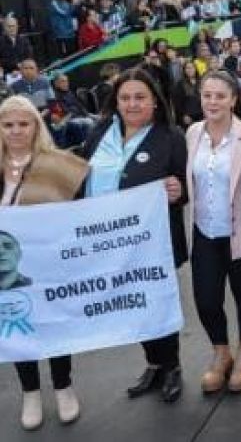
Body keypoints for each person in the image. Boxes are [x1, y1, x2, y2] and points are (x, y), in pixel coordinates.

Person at [80, 68, 188, 403]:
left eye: (140, 97)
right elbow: (79, 176)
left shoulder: (170, 136)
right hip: (106, 240)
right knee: (133, 305)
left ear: (155, 101)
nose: (132, 103)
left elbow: (184, 186)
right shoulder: (100, 132)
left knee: (155, 303)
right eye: (125, 97)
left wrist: (178, 190)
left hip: (152, 242)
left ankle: (171, 366)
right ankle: (153, 363)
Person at [0, 95, 89, 430]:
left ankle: (63, 386)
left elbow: (81, 213)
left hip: (51, 264)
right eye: (8, 125)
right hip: (8, 272)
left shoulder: (58, 165)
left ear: (36, 126)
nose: (16, 131)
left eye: (23, 124)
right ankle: (30, 392)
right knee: (16, 328)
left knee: (54, 325)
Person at [186, 71, 241, 394]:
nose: (213, 102)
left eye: (220, 96)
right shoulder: (192, 133)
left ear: (233, 99)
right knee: (206, 299)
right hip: (204, 231)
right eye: (207, 95)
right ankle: (221, 352)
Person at [173, 61, 203, 129]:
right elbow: (177, 103)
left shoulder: (201, 81)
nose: (190, 70)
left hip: (201, 115)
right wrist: (183, 115)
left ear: (195, 69)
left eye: (192, 68)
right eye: (187, 68)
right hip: (188, 116)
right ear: (184, 70)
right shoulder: (180, 84)